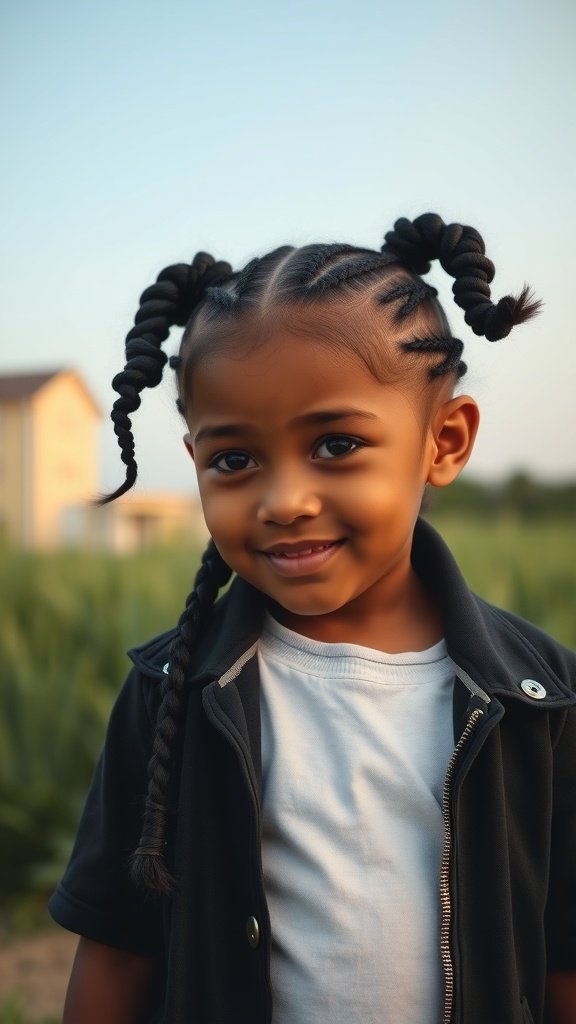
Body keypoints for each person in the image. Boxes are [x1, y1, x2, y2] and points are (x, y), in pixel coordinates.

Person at [49, 213, 576, 1024]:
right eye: (234, 459)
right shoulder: (172, 693)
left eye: (334, 445)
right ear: (195, 460)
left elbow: (562, 959)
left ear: (444, 440)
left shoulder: (546, 701)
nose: (283, 501)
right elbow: (117, 951)